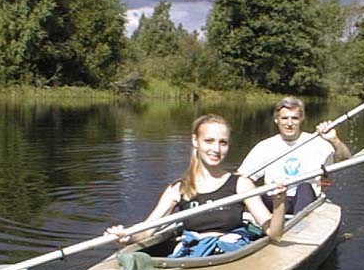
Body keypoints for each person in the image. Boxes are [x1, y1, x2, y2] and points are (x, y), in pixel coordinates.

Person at [107, 114, 286, 257]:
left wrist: (279, 204)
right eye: (209, 141)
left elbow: (274, 233)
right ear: (195, 141)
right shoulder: (178, 189)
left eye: (222, 143)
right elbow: (147, 231)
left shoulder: (241, 185)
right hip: (194, 255)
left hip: (231, 254)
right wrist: (127, 237)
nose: (216, 149)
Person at [238, 96, 351, 214]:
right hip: (276, 201)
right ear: (276, 119)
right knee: (255, 193)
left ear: (302, 118)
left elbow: (345, 160)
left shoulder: (317, 142)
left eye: (295, 118)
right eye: (285, 118)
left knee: (304, 187)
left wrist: (334, 140)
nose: (289, 123)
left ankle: (300, 227)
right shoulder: (265, 146)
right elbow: (242, 178)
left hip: (305, 201)